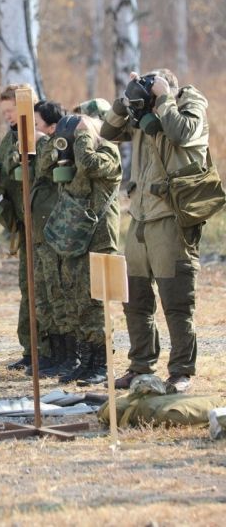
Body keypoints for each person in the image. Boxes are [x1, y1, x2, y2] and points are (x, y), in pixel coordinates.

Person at [102, 69, 209, 393]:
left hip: (170, 218)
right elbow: (108, 130)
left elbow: (182, 133)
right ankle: (140, 365)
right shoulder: (146, 114)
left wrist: (163, 97)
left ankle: (180, 372)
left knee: (176, 301)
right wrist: (126, 100)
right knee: (134, 299)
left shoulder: (188, 105)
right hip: (140, 217)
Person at [0, 84, 49, 370]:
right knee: (27, 287)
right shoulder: (11, 137)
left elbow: (32, 171)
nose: (7, 116)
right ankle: (31, 349)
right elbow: (4, 167)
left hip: (43, 222)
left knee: (44, 289)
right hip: (22, 222)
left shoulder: (38, 137)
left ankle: (48, 351)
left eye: (11, 111)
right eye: (4, 112)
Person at [50, 115, 122, 385]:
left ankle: (102, 364)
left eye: (79, 134)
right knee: (77, 302)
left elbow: (90, 165)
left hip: (100, 240)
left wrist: (83, 135)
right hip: (77, 240)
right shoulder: (73, 157)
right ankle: (86, 361)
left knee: (95, 304)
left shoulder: (107, 152)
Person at [26, 100, 71, 378]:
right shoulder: (43, 145)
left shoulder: (57, 147)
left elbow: (45, 169)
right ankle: (54, 354)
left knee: (61, 296)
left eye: (36, 126)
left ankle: (70, 356)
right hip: (41, 231)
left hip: (56, 232)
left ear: (52, 128)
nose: (31, 132)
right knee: (45, 297)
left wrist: (43, 142)